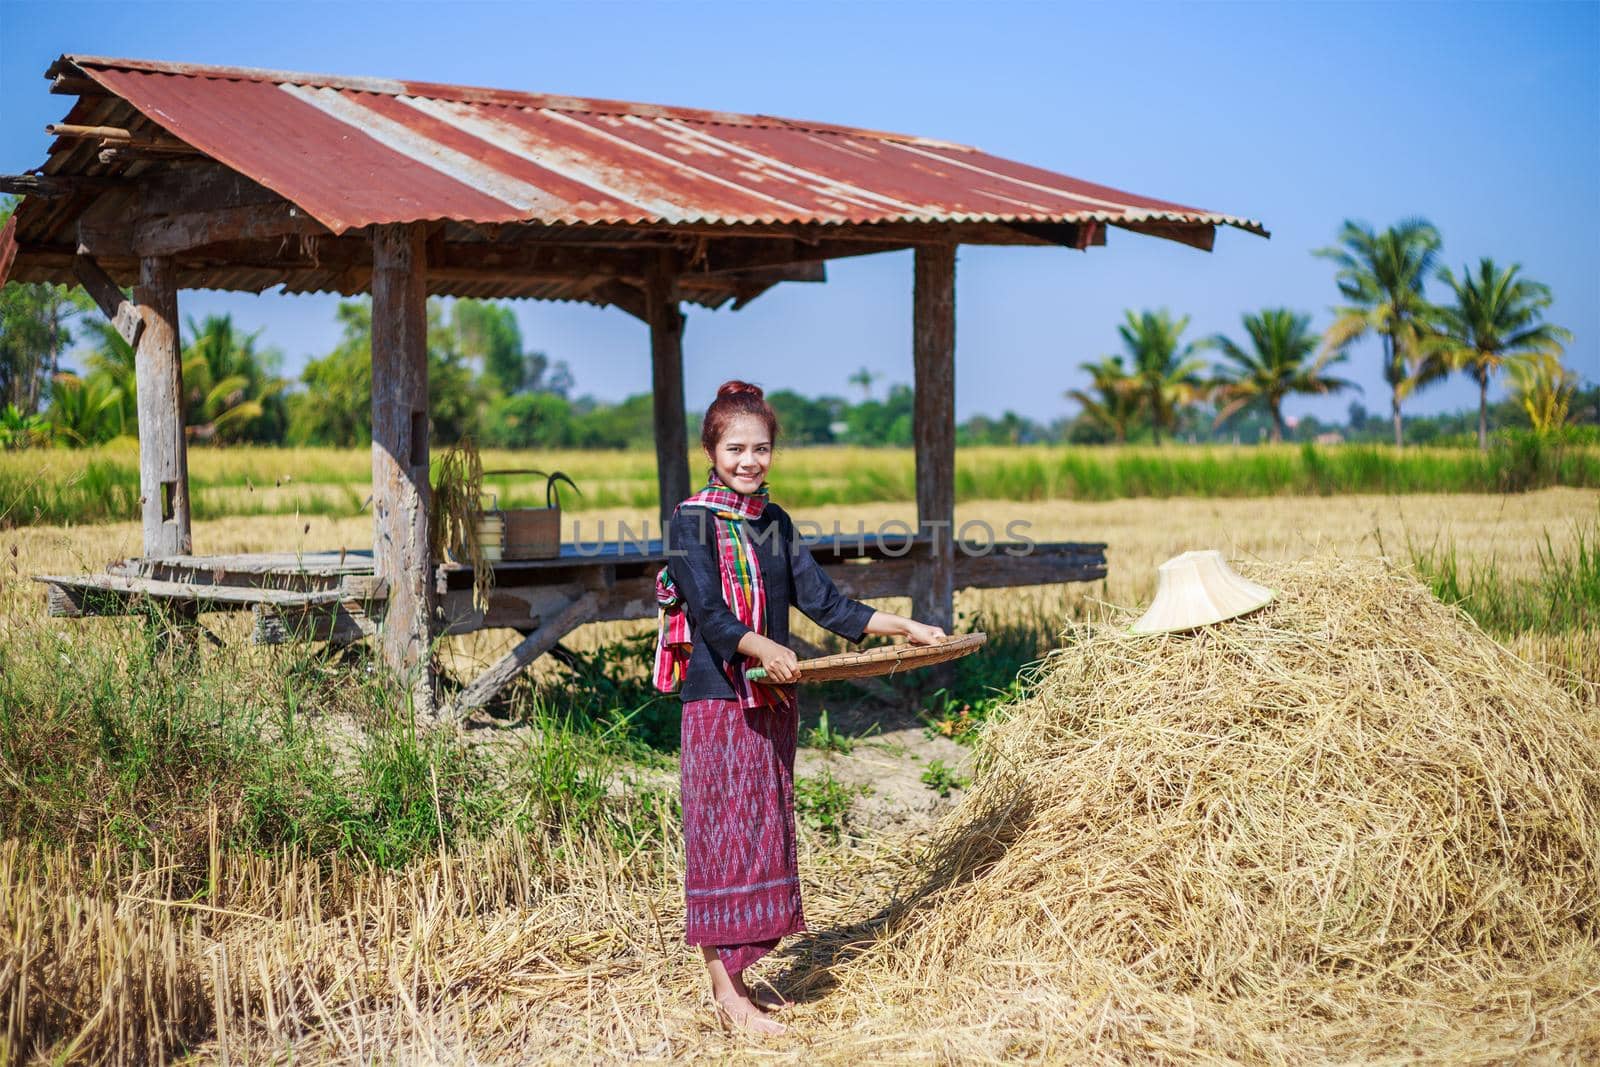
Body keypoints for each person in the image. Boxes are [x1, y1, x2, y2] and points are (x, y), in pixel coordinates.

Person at [654, 379, 946, 1037]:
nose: (749, 460)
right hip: (719, 698)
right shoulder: (690, 520)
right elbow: (707, 611)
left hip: (772, 698)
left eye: (760, 448)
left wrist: (905, 626)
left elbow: (827, 602)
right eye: (736, 448)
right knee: (720, 838)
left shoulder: (775, 522)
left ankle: (739, 976)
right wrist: (761, 643)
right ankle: (726, 993)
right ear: (712, 448)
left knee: (760, 832)